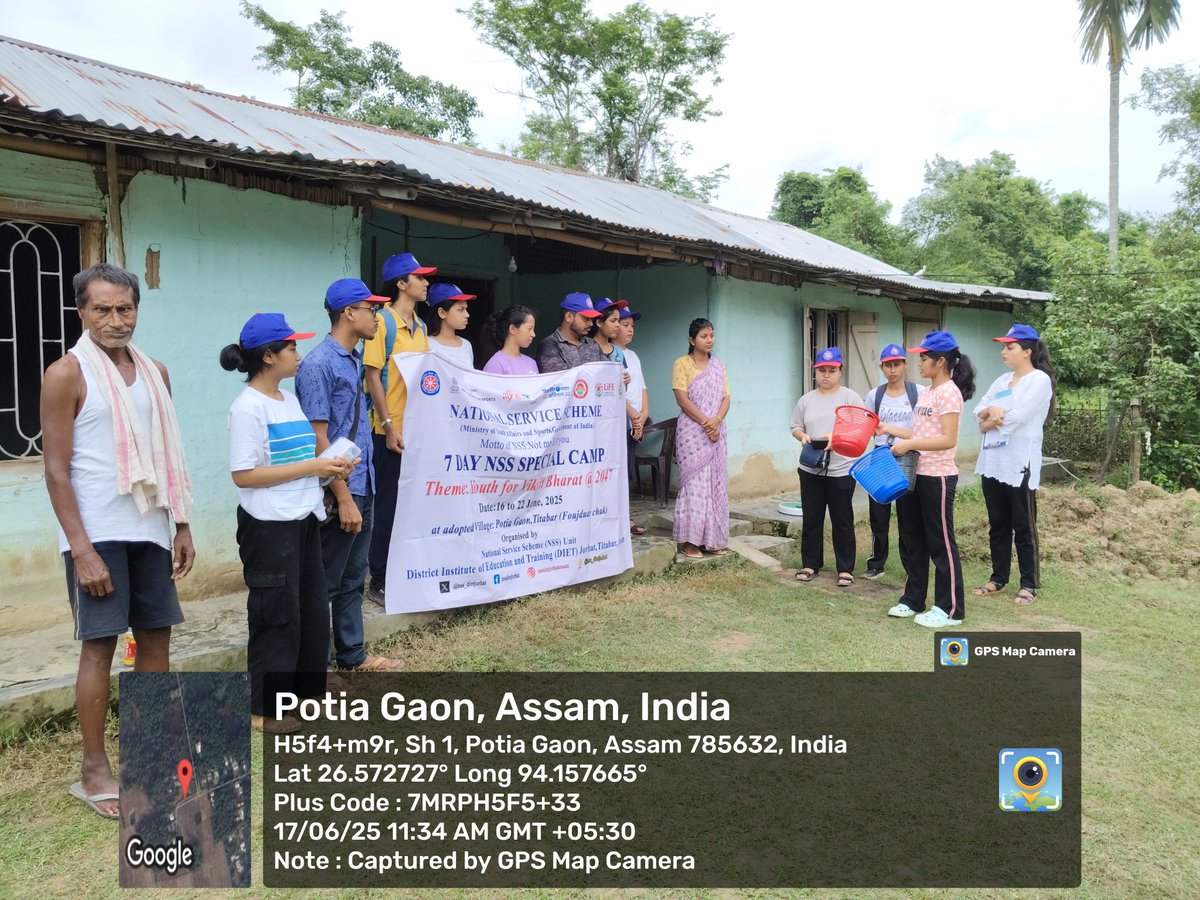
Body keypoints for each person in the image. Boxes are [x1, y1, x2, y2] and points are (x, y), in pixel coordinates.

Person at [41, 263, 195, 819]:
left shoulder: (156, 372)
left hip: (150, 526)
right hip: (97, 532)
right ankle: (93, 770)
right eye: (102, 309)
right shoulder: (67, 373)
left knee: (156, 643)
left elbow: (165, 454)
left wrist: (180, 524)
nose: (114, 319)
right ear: (81, 311)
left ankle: (150, 757)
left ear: (137, 310)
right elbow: (56, 470)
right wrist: (80, 549)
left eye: (124, 309)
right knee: (101, 647)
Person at [221, 314, 357, 734]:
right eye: (292, 349)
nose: (298, 356)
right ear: (268, 357)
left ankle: (307, 693)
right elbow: (244, 475)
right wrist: (312, 466)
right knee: (275, 617)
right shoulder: (247, 408)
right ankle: (264, 710)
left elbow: (296, 463)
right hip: (268, 526)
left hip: (303, 518)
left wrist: (329, 469)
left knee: (312, 610)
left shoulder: (289, 400)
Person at [294, 279, 403, 672]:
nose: (376, 317)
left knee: (353, 578)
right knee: (324, 582)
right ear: (348, 314)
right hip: (340, 489)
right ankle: (317, 667)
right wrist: (342, 498)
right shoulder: (318, 364)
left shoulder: (353, 359)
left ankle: (354, 656)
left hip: (364, 481)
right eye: (370, 309)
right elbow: (318, 439)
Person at [886, 330, 976, 628]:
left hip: (937, 477)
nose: (919, 363)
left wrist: (910, 445)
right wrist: (890, 430)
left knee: (941, 543)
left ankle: (950, 609)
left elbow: (948, 440)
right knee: (913, 540)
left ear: (941, 361)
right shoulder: (926, 393)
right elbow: (920, 434)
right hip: (916, 474)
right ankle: (913, 599)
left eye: (923, 358)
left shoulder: (949, 392)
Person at [363, 252, 434, 606]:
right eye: (419, 277)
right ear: (401, 284)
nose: (425, 283)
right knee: (388, 506)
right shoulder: (382, 323)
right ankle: (378, 577)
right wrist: (389, 426)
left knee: (412, 505)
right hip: (389, 432)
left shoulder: (420, 328)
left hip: (417, 431)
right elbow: (373, 375)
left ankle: (403, 570)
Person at [972, 324, 1056, 605]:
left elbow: (1018, 417)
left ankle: (1029, 583)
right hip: (993, 461)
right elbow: (977, 411)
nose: (1003, 351)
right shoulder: (1001, 380)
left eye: (1010, 347)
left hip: (1020, 462)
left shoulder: (1039, 381)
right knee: (998, 523)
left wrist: (992, 418)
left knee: (1023, 524)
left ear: (1027, 351)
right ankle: (998, 577)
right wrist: (988, 414)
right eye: (1003, 347)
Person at [789, 348, 865, 587]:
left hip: (841, 469)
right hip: (811, 468)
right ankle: (810, 564)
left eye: (832, 370)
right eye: (822, 370)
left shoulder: (850, 398)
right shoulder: (806, 399)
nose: (826, 375)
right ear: (816, 372)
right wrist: (802, 436)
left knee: (842, 519)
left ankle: (845, 568)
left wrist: (836, 439)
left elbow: (858, 429)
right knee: (812, 517)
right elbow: (794, 426)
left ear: (840, 371)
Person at [862, 343, 924, 579]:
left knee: (908, 517)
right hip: (881, 458)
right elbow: (868, 427)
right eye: (888, 365)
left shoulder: (917, 392)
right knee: (878, 515)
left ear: (905, 365)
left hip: (908, 457)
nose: (893, 370)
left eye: (897, 364)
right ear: (882, 367)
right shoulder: (874, 395)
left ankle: (911, 567)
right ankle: (876, 564)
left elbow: (924, 429)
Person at [672, 318, 731, 559]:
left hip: (716, 431)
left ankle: (712, 539)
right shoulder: (682, 364)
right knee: (695, 485)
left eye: (711, 335)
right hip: (691, 432)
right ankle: (690, 541)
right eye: (703, 336)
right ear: (691, 340)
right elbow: (682, 398)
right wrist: (706, 422)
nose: (709, 340)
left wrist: (716, 420)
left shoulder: (718, 367)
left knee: (714, 483)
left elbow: (726, 398)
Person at [615, 305, 649, 535]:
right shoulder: (611, 354)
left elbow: (642, 388)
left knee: (627, 471)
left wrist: (643, 415)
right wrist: (633, 417)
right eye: (624, 325)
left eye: (631, 326)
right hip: (623, 419)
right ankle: (620, 520)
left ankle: (625, 518)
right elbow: (617, 391)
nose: (629, 330)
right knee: (619, 472)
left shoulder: (633, 355)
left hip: (636, 419)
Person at [536, 292, 603, 373]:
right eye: (586, 318)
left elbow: (606, 372)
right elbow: (561, 380)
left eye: (591, 319)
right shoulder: (549, 345)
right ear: (569, 317)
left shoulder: (592, 343)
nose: (591, 323)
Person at [424, 282, 478, 369]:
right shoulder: (427, 344)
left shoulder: (466, 345)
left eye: (466, 309)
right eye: (461, 310)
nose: (467, 315)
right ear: (442, 313)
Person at [482, 305, 538, 375]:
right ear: (512, 329)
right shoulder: (496, 364)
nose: (533, 334)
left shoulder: (531, 363)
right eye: (529, 329)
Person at [591, 298, 627, 366]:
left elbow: (623, 372)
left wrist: (625, 376)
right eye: (613, 321)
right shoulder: (586, 348)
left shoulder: (618, 351)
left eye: (618, 321)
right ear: (599, 322)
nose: (618, 325)